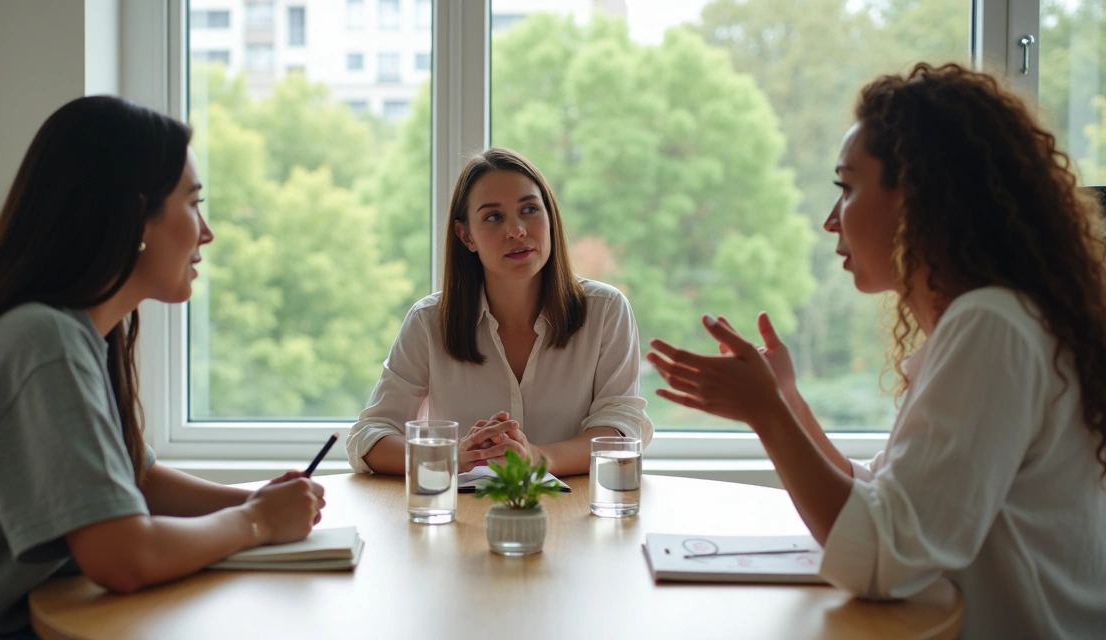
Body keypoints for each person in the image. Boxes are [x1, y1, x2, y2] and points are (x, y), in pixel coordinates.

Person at [648, 63, 1106, 638]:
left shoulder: (991, 324)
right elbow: (882, 504)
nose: (829, 219)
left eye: (846, 187)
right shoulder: (993, 320)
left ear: (918, 196)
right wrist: (787, 401)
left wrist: (765, 414)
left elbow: (883, 560)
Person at [0, 96, 325, 638]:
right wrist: (256, 521)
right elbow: (122, 557)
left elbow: (131, 479)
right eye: (193, 204)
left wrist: (259, 502)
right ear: (132, 216)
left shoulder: (72, 329)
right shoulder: (40, 341)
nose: (206, 232)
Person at [346, 147, 652, 477]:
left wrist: (536, 458)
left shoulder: (606, 311)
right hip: (463, 517)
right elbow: (369, 437)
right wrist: (449, 457)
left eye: (530, 210)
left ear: (550, 217)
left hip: (574, 514)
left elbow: (621, 430)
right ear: (466, 236)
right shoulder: (429, 321)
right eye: (494, 217)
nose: (517, 230)